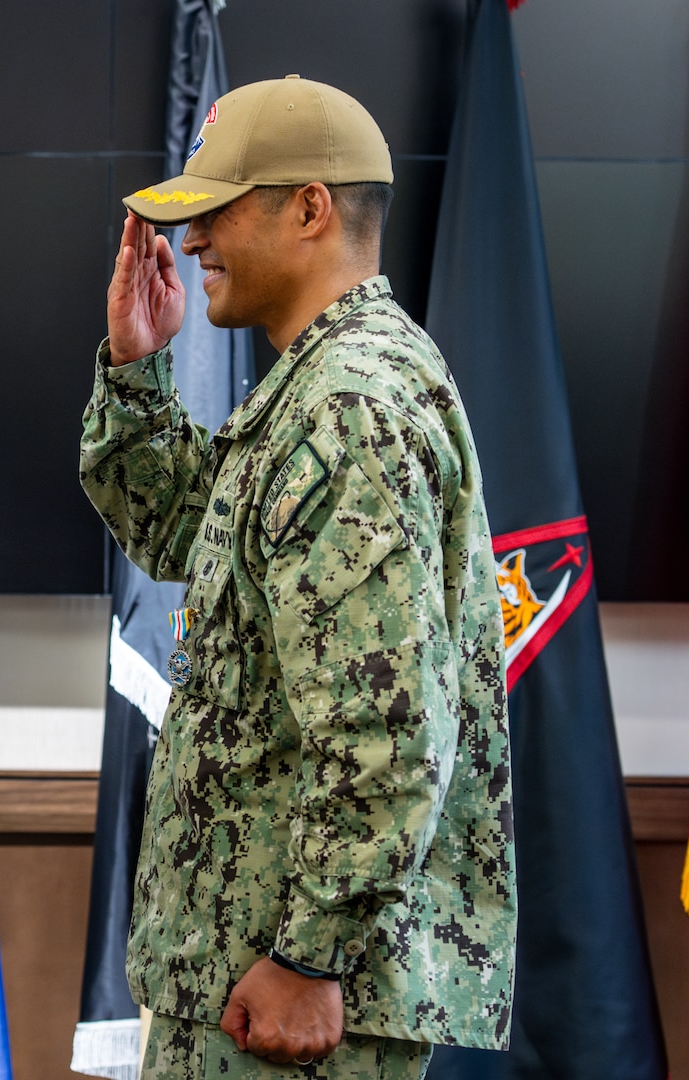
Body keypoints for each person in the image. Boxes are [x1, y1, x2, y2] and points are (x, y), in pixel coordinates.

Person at [79, 76, 516, 1078]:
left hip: (288, 997)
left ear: (310, 207)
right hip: (252, 976)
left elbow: (390, 721)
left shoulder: (350, 403)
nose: (191, 243)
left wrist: (312, 953)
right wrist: (136, 371)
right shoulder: (320, 387)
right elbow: (191, 537)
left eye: (217, 211)